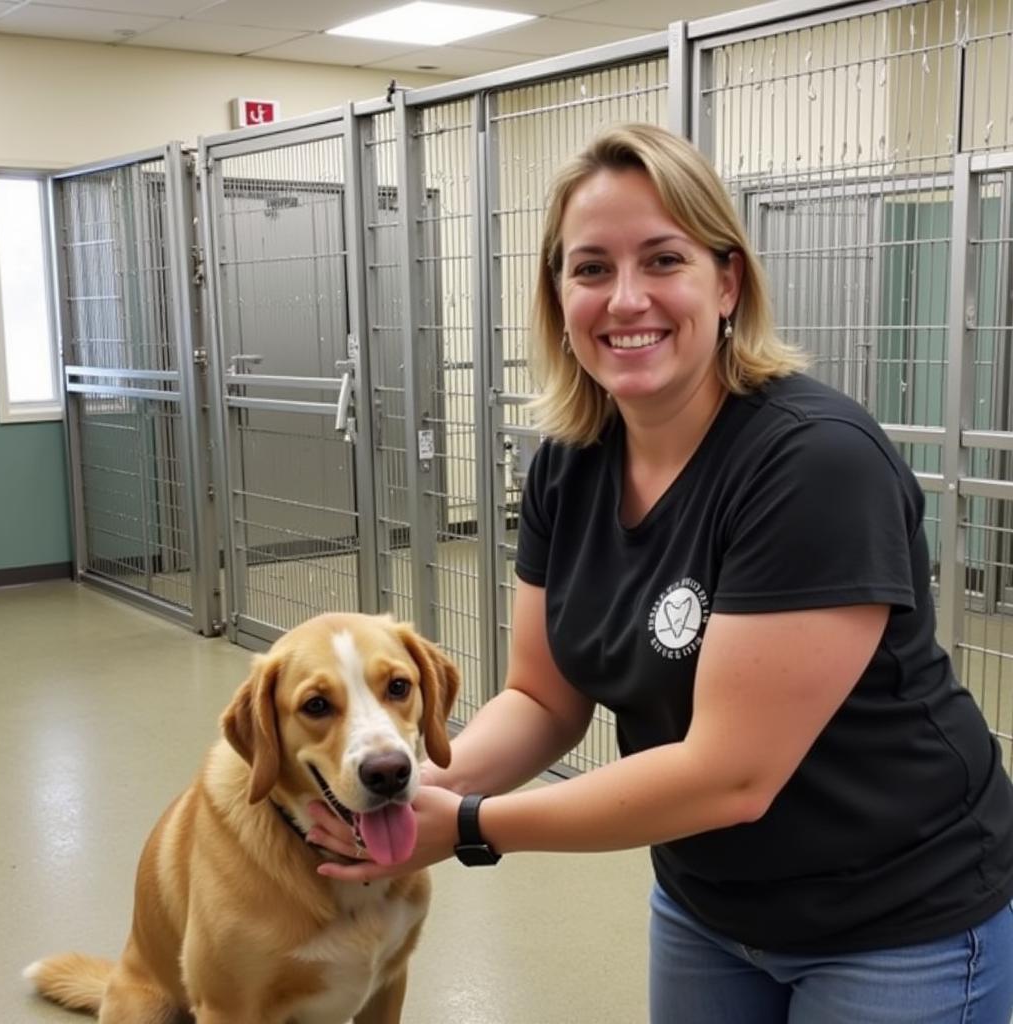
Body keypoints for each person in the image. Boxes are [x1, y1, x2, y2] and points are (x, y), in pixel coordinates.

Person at [308, 122, 1013, 1022]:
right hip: (707, 900)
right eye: (591, 267)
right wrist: (415, 787)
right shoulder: (568, 460)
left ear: (727, 282)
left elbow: (731, 776)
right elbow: (542, 699)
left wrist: (472, 827)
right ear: (559, 295)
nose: (626, 298)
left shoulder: (814, 464)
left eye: (664, 260)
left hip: (898, 915)